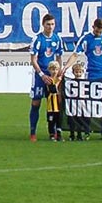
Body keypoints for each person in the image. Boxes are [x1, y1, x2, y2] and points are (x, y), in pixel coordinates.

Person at [62, 17, 102, 140]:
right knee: (87, 105)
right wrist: (66, 67)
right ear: (93, 27)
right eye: (97, 31)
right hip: (90, 76)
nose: (99, 33)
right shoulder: (86, 39)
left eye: (101, 31)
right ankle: (86, 131)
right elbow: (76, 54)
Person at [28, 14, 65, 142]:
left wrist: (59, 72)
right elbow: (33, 60)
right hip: (40, 75)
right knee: (36, 103)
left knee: (55, 104)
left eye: (52, 24)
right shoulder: (37, 39)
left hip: (52, 76)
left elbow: (59, 57)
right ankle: (33, 132)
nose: (50, 27)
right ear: (43, 24)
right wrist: (42, 75)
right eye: (48, 24)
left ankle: (54, 132)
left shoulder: (57, 38)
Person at [44, 61, 63, 141]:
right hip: (51, 106)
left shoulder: (61, 80)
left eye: (56, 69)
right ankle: (51, 135)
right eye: (52, 69)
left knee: (59, 121)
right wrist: (58, 81)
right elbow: (53, 90)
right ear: (49, 70)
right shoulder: (49, 80)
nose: (54, 71)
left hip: (59, 105)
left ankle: (59, 135)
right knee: (51, 121)